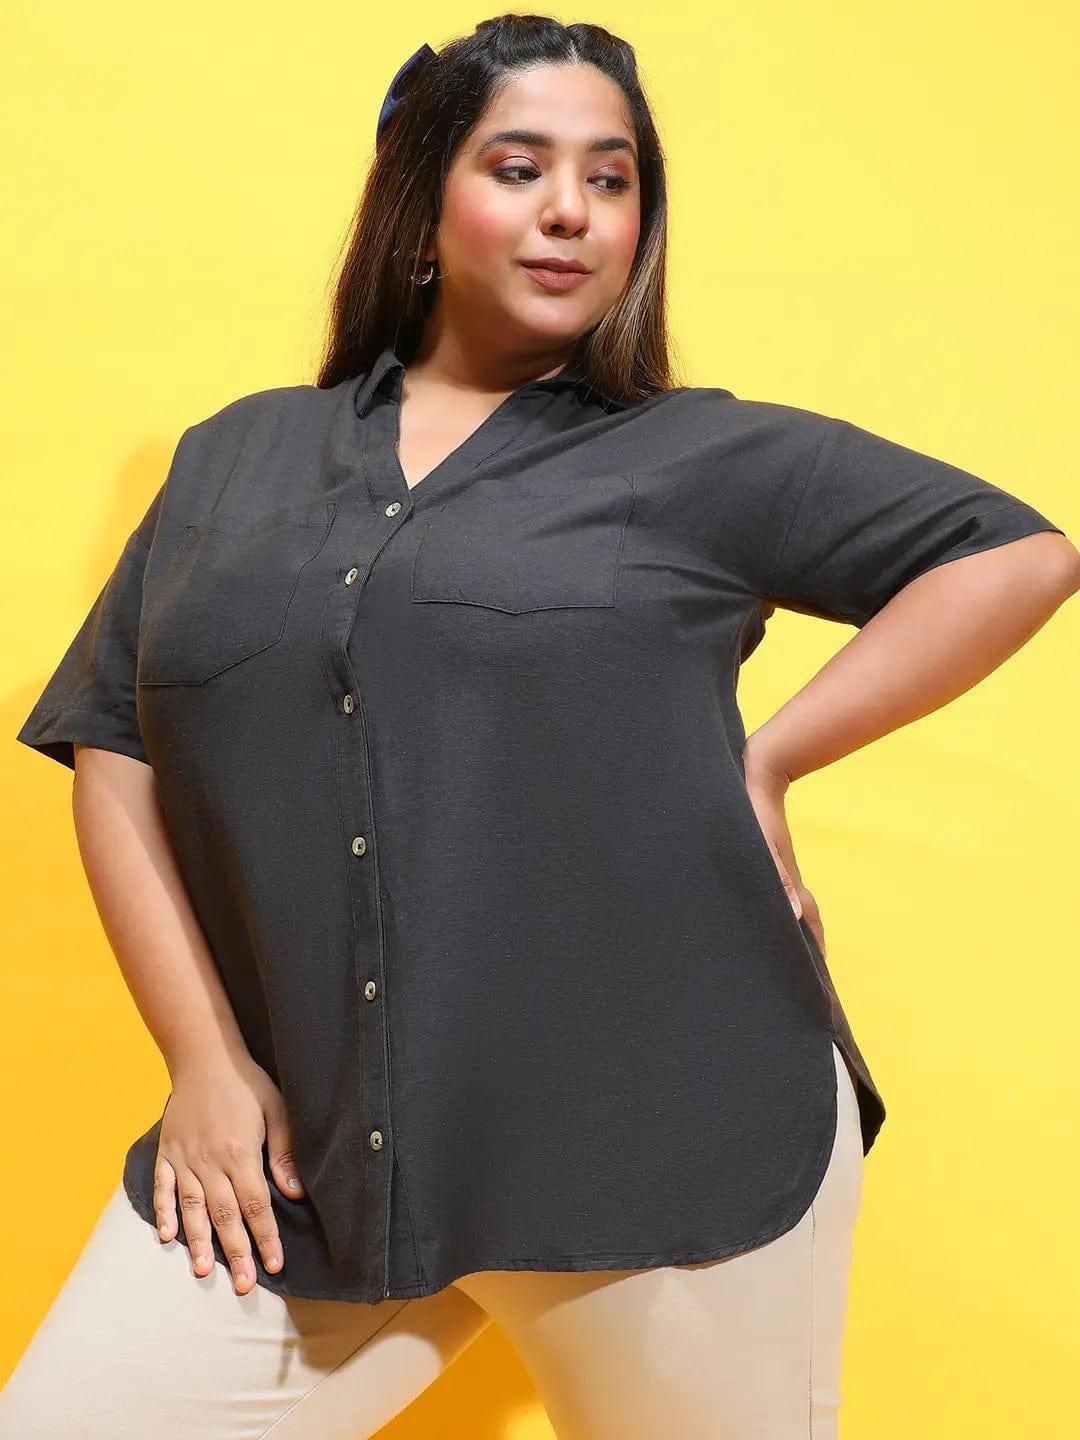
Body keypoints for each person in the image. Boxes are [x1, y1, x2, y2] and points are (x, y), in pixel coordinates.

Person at [4, 15, 1077, 1439]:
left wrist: (766, 763)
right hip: (313, 1159)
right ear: (421, 211)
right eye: (519, 167)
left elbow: (1017, 555)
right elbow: (117, 748)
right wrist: (205, 1061)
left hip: (656, 1137)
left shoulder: (700, 454)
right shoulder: (234, 459)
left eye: (611, 178)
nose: (572, 208)